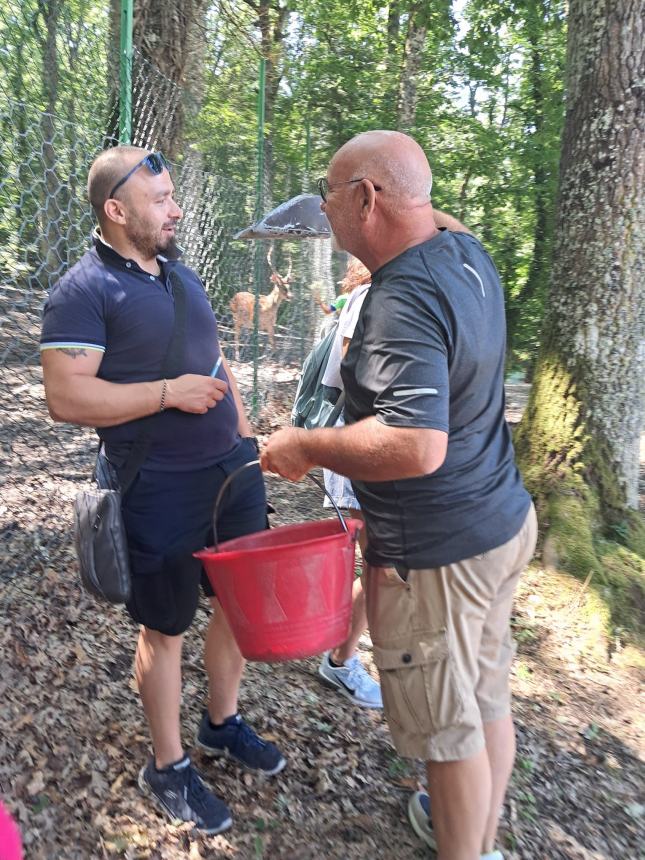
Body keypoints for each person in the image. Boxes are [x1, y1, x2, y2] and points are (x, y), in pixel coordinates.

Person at [261, 130, 536, 860]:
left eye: (329, 193)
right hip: (502, 521)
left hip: (438, 553)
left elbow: (417, 445)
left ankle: (465, 850)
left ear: (365, 199)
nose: (323, 208)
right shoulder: (465, 255)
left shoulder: (398, 301)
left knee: (448, 736)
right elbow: (442, 221)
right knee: (483, 701)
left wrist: (304, 444)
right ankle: (475, 841)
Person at [40, 146, 286, 835]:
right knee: (166, 626)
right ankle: (168, 764)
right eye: (161, 200)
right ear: (116, 211)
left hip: (229, 474)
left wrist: (245, 439)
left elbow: (216, 360)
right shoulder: (82, 291)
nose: (175, 209)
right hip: (156, 485)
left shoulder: (183, 278)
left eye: (174, 196)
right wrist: (166, 395)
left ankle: (220, 722)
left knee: (238, 607)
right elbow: (66, 396)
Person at [316, 258, 382, 709]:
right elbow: (350, 367)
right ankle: (340, 660)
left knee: (381, 565)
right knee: (378, 564)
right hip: (359, 441)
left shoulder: (398, 293)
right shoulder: (366, 299)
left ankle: (341, 656)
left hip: (380, 442)